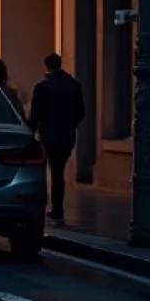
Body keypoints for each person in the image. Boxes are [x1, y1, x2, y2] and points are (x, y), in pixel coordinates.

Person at [27, 52, 86, 226]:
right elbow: (81, 112)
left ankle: (50, 206)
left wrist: (31, 131)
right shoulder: (74, 86)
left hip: (48, 136)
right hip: (66, 135)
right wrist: (69, 124)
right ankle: (57, 208)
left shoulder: (42, 87)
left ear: (47, 65)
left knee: (46, 172)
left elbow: (35, 115)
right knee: (58, 171)